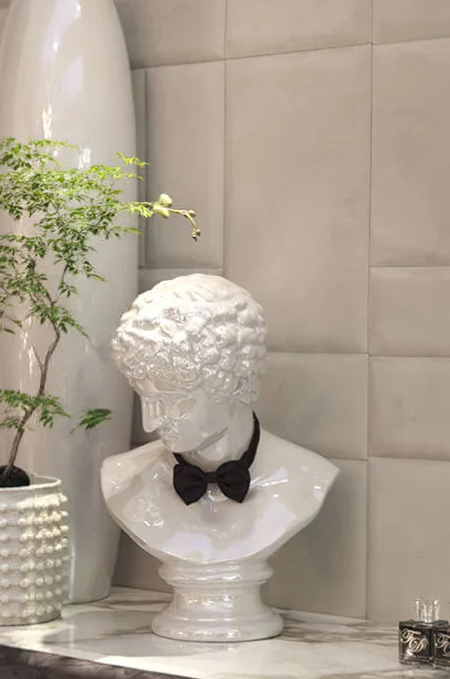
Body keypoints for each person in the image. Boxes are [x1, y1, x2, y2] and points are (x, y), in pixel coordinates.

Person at [101, 274, 338, 641]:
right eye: (144, 398)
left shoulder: (307, 478)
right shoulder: (124, 480)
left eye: (176, 400)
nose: (151, 422)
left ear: (236, 383)